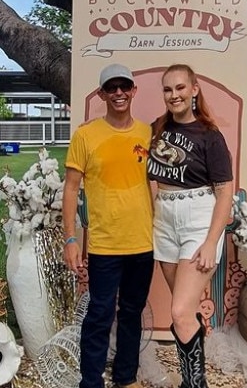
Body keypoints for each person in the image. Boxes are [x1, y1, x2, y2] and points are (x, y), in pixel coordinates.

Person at [62, 63, 154, 388]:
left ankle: (126, 378)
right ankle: (91, 381)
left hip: (143, 242)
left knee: (132, 313)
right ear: (101, 94)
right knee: (100, 315)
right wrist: (70, 238)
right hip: (104, 245)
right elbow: (71, 188)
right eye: (111, 88)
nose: (118, 93)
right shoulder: (86, 135)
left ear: (133, 91)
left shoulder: (148, 133)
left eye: (124, 87)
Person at [147, 64, 233, 388]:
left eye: (180, 88)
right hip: (164, 221)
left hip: (198, 219)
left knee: (180, 311)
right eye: (168, 89)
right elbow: (148, 175)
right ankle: (191, 380)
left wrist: (211, 242)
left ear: (194, 89)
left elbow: (225, 192)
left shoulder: (210, 135)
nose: (174, 95)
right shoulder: (157, 128)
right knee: (187, 311)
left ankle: (195, 385)